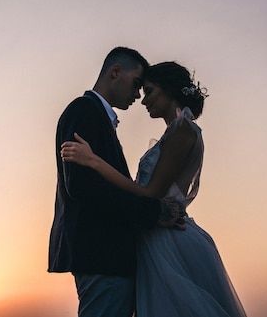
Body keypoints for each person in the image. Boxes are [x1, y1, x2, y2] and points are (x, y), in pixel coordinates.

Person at [61, 62, 247, 317]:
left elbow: (150, 193)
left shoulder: (183, 130)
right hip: (153, 237)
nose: (143, 99)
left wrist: (94, 161)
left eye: (148, 91)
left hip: (169, 242)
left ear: (169, 90)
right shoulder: (174, 132)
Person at [48, 48, 187, 317]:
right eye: (136, 85)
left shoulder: (97, 117)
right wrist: (153, 212)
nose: (138, 96)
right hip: (102, 254)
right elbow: (82, 186)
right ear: (115, 72)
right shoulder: (83, 110)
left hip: (109, 256)